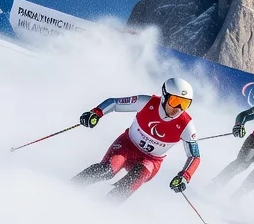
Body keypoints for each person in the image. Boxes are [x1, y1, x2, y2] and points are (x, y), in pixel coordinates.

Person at [72, 78, 201, 201]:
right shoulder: (147, 102)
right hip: (127, 146)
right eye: (174, 101)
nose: (178, 108)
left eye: (184, 104)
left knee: (132, 182)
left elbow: (195, 156)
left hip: (151, 160)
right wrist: (96, 113)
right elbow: (114, 103)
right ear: (164, 96)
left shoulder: (186, 125)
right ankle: (71, 187)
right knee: (107, 170)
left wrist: (185, 176)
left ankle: (103, 208)